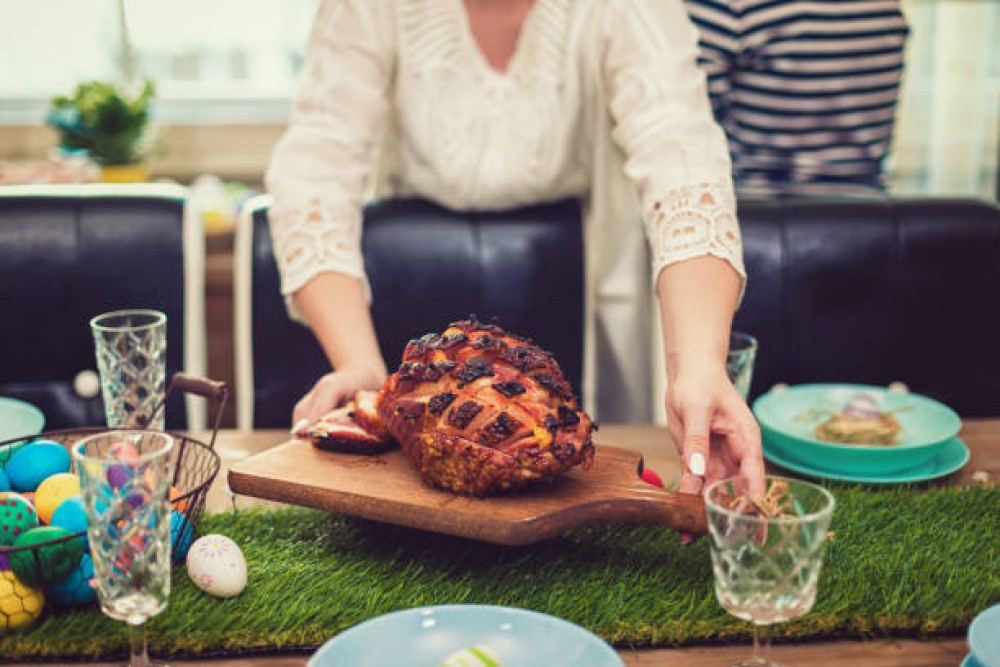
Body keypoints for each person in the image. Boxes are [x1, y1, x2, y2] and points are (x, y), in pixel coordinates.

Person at [265, 0, 765, 499]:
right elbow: (316, 170)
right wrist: (361, 369)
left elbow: (681, 154)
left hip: (590, 282)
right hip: (401, 307)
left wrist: (699, 365)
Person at [684, 0, 910, 198]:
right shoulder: (886, 7)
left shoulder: (731, 6)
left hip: (759, 220)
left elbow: (685, 129)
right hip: (869, 215)